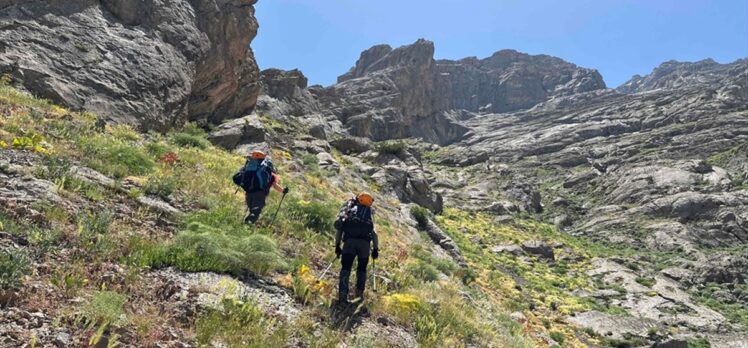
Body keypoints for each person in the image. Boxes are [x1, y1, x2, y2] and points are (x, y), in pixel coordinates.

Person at [334, 192, 379, 305]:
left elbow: (340, 230)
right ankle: (358, 296)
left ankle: (343, 297)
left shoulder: (350, 211)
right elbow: (374, 234)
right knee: (362, 269)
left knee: (346, 268)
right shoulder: (369, 214)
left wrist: (338, 245)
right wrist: (375, 249)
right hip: (364, 245)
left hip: (349, 243)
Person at [232, 150, 288, 224]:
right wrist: (283, 190)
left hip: (248, 193)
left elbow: (239, 176)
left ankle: (245, 225)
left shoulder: (248, 166)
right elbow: (275, 185)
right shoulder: (268, 171)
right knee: (256, 211)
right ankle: (247, 224)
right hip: (260, 193)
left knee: (252, 210)